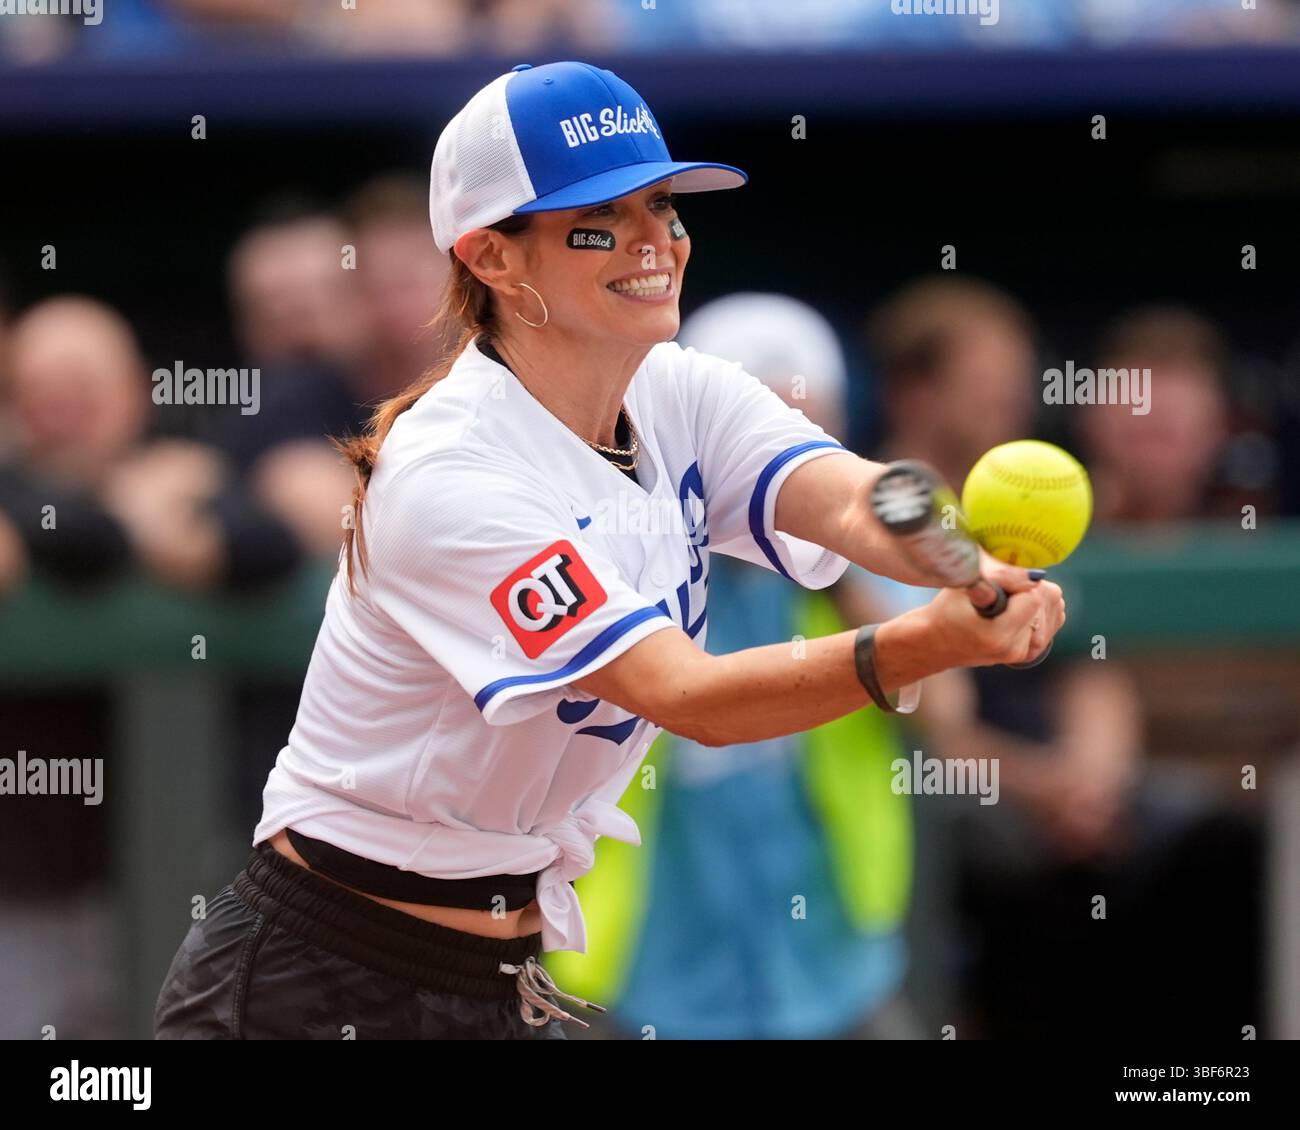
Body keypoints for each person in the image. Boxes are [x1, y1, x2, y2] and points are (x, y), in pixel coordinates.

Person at [153, 60, 1064, 1041]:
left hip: (496, 969)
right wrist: (922, 644)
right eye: (602, 214)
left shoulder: (676, 388)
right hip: (320, 972)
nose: (655, 240)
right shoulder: (449, 471)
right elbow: (691, 698)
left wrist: (958, 556)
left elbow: (851, 500)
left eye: (663, 206)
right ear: (493, 258)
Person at [547, 293, 921, 1040]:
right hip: (639, 979)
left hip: (836, 967)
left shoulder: (861, 568)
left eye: (809, 435)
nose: (781, 466)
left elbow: (942, 708)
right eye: (759, 440)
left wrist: (828, 555)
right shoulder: (615, 562)